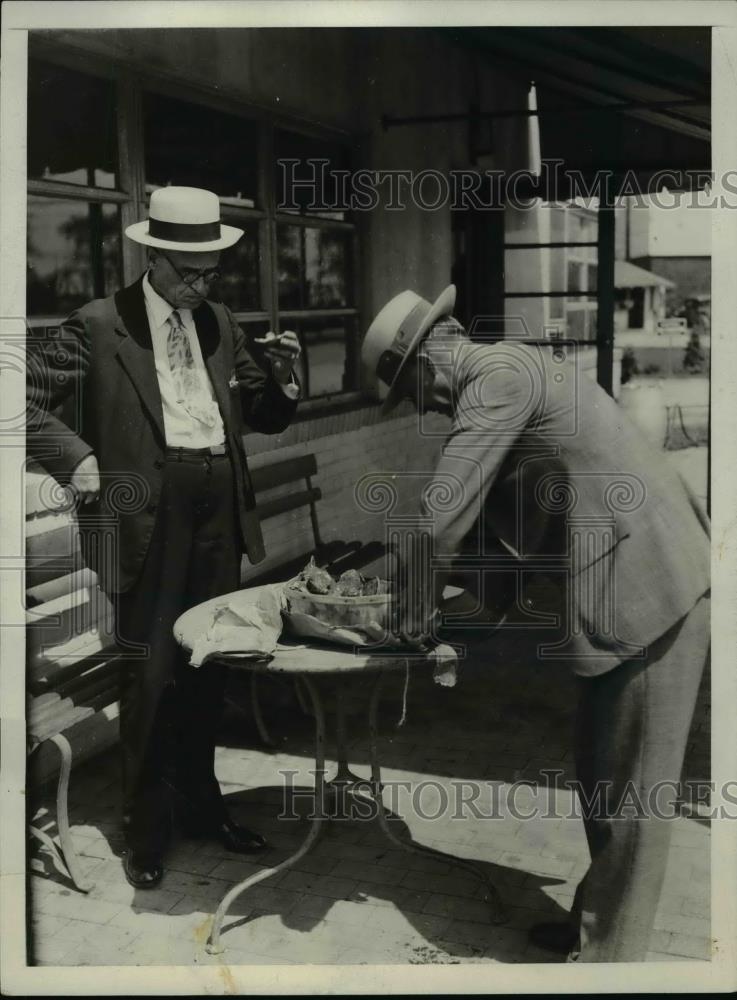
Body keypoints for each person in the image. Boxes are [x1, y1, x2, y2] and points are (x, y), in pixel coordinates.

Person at [361, 285, 710, 962]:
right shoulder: (505, 380)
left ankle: (608, 964)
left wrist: (405, 620)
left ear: (431, 359)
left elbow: (440, 520)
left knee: (632, 801)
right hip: (626, 587)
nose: (422, 407)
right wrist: (454, 623)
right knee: (602, 775)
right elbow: (507, 534)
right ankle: (594, 925)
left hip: (650, 587)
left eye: (413, 390)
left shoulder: (493, 378)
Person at [26, 187, 301, 889]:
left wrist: (286, 378)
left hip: (217, 511)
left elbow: (267, 414)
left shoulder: (218, 321)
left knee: (208, 668)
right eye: (189, 272)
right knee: (151, 678)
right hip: (146, 519)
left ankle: (204, 811)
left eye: (211, 271)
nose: (201, 285)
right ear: (152, 255)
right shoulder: (96, 324)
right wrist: (77, 458)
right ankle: (145, 832)